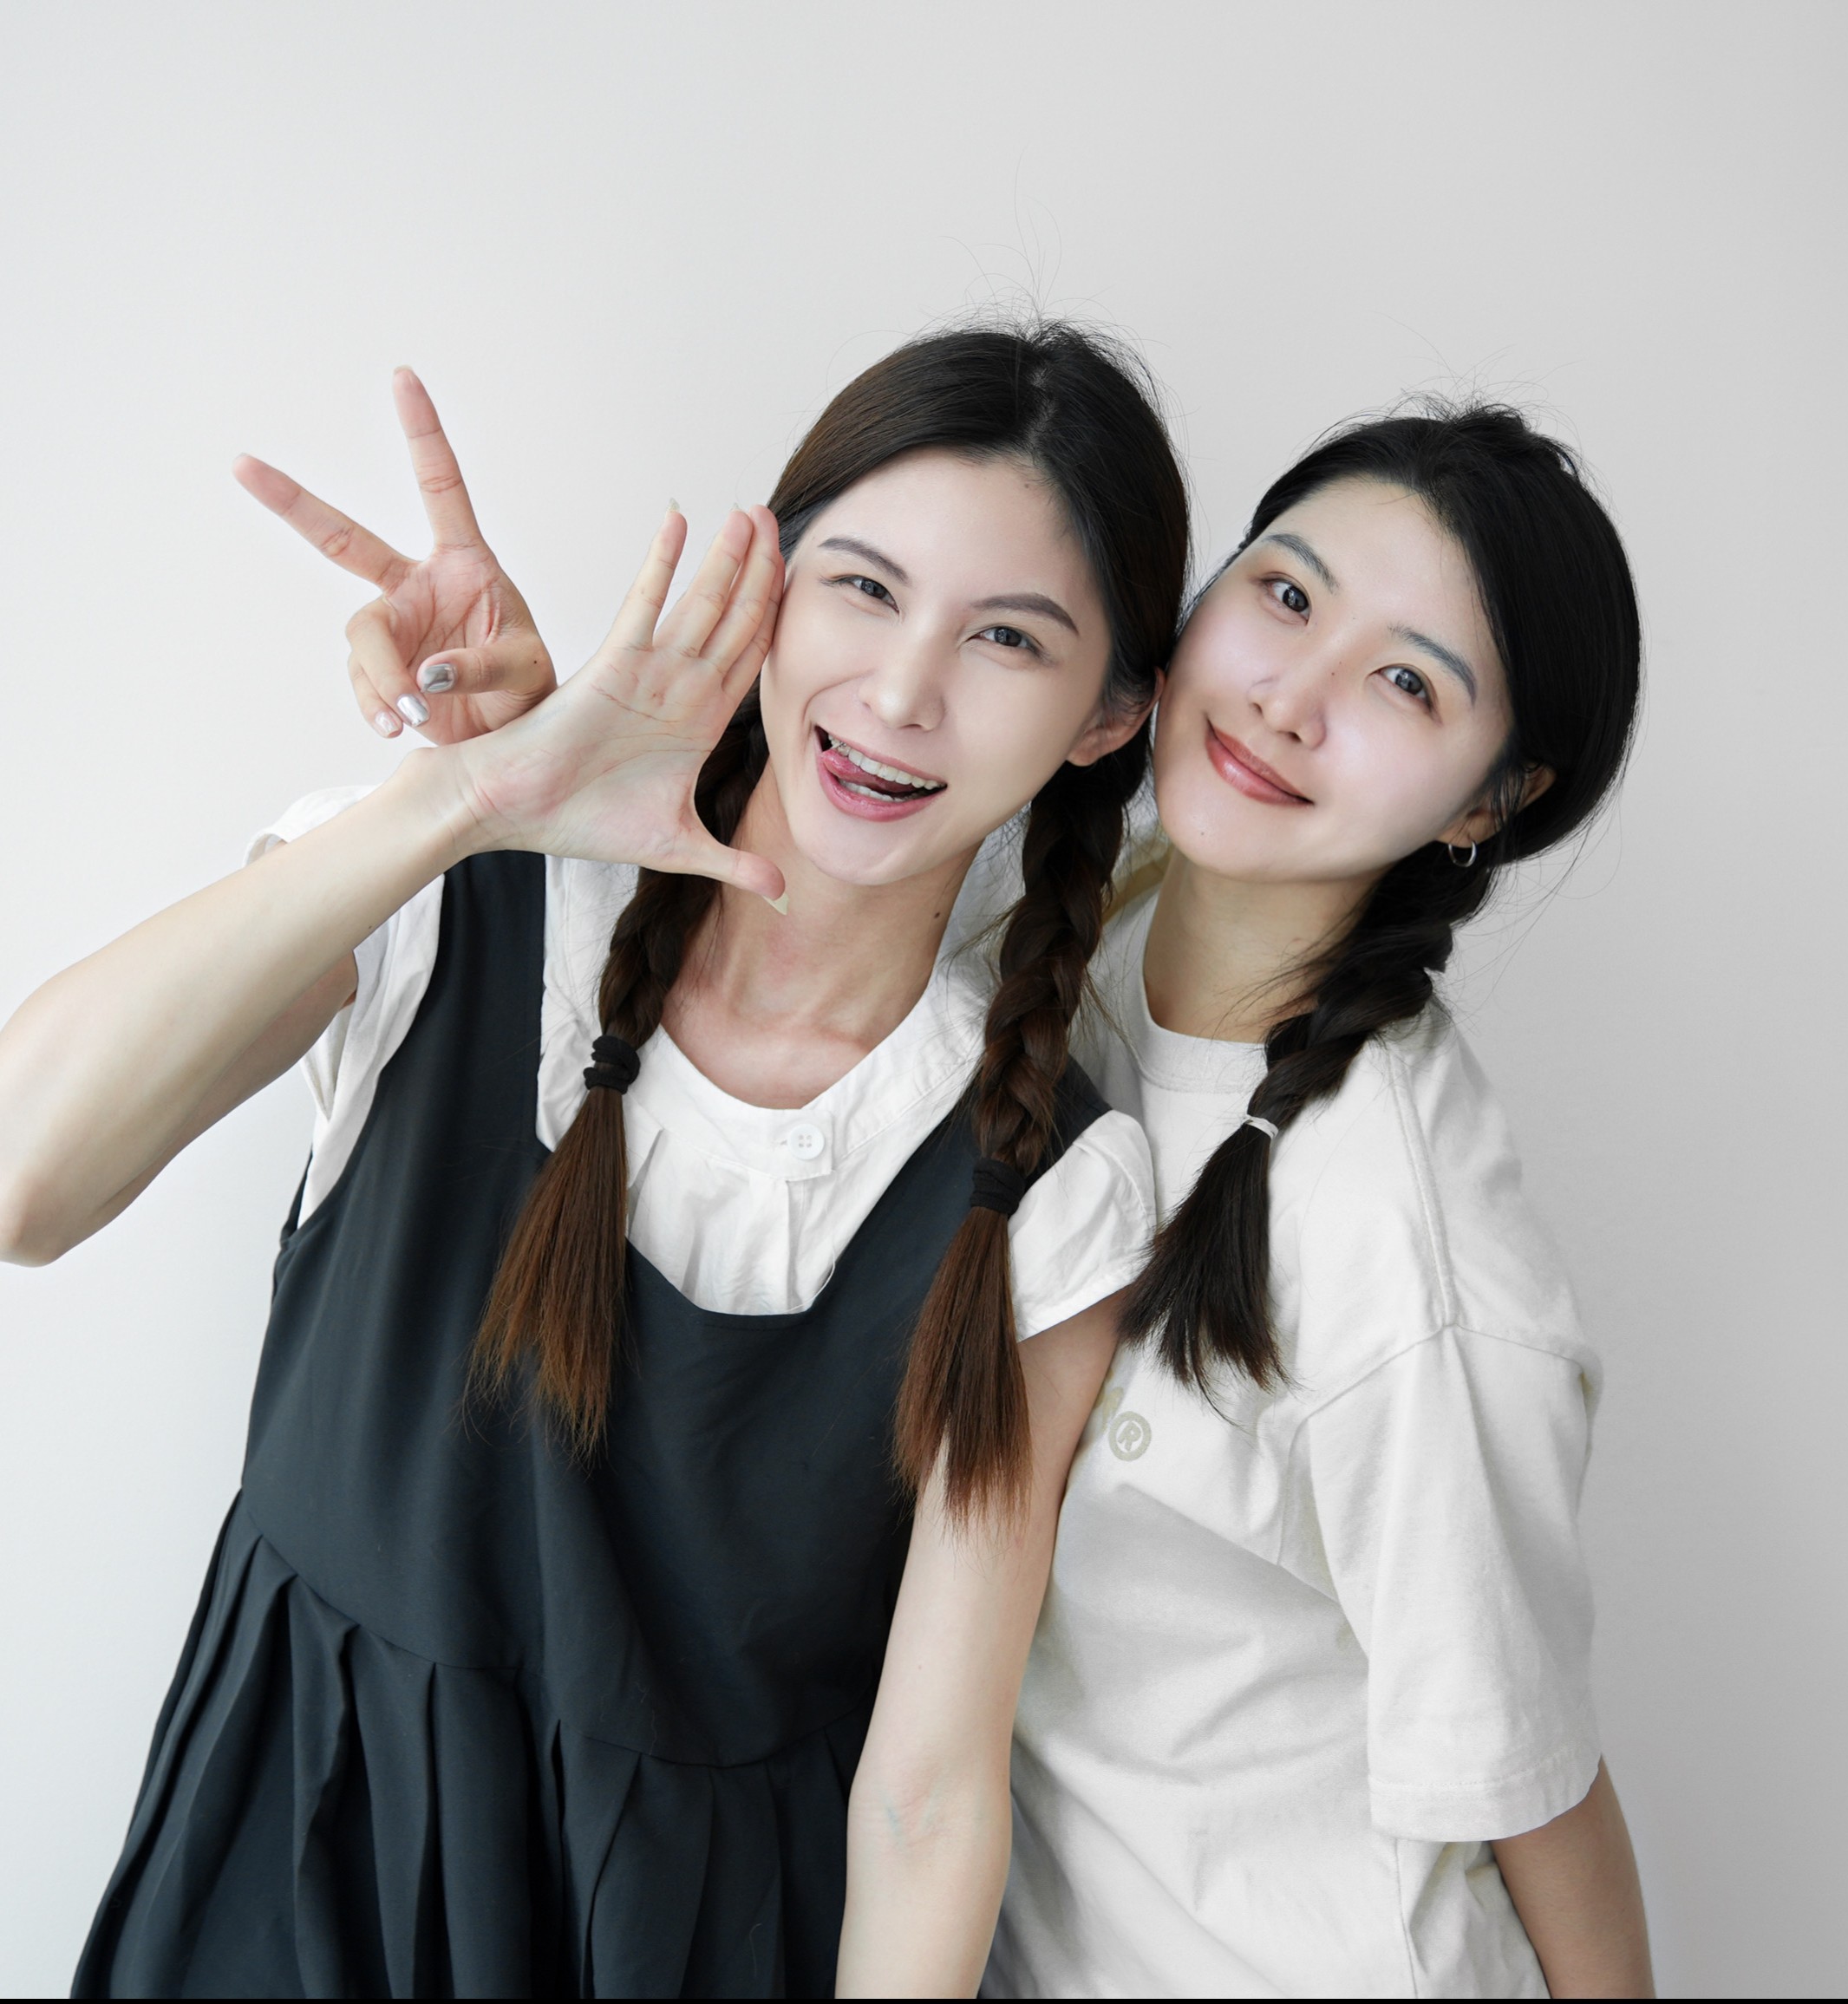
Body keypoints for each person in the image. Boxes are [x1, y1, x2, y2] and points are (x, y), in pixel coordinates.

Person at [0, 323, 1189, 1997]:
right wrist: (462, 803)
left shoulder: (1041, 1178)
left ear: (1107, 716)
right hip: (291, 1894)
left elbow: (926, 1799)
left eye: (1007, 637)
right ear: (764, 588)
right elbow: (25, 1180)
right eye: (861, 588)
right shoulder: (468, 902)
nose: (901, 692)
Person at [983, 407, 1655, 1998]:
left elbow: (1535, 1795)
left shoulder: (1407, 1263)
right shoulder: (1062, 934)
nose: (1290, 700)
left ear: (1488, 801)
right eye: (1285, 595)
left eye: (1406, 683)